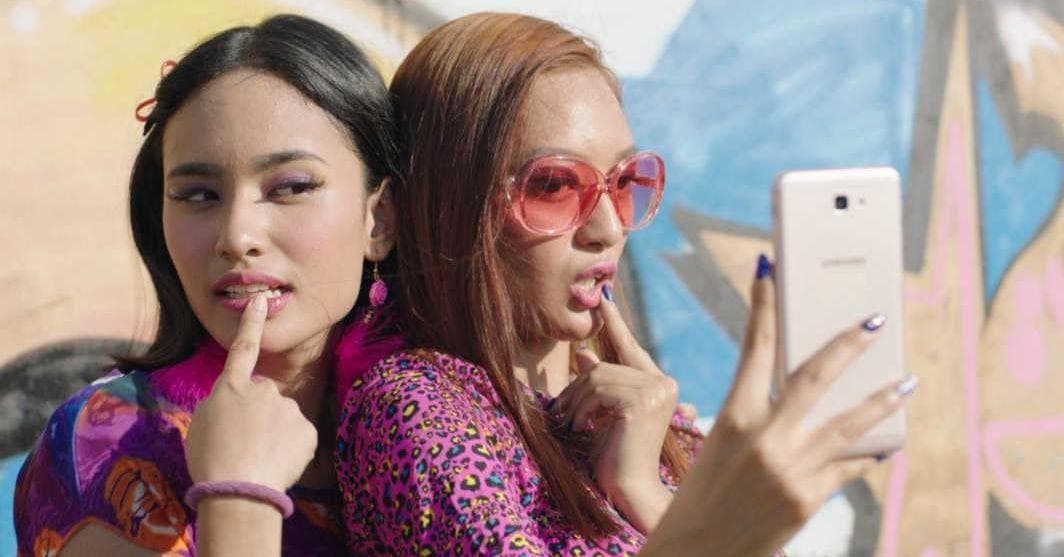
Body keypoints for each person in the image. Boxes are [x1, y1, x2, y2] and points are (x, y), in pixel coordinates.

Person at [335, 12, 919, 556]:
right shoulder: (415, 412)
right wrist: (654, 498)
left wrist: (649, 481)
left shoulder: (638, 413)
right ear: (445, 202)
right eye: (553, 185)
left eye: (624, 182)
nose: (609, 228)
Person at [14, 14, 403, 556]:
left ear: (379, 219)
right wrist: (240, 498)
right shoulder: (108, 445)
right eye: (198, 195)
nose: (237, 236)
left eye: (291, 187)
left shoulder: (427, 426)